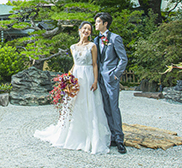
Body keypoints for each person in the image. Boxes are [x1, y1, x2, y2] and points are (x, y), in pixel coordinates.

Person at [34, 21, 111, 154]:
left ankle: (89, 135)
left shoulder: (92, 46)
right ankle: (71, 133)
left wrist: (95, 80)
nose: (86, 31)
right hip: (76, 77)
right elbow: (75, 64)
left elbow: (94, 64)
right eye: (85, 28)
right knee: (73, 104)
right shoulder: (73, 47)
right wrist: (67, 78)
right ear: (80, 30)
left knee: (88, 104)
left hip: (88, 77)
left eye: (89, 30)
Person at [94, 12, 128, 154]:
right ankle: (111, 137)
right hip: (100, 78)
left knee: (114, 107)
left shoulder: (115, 38)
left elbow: (123, 59)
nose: (95, 24)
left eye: (97, 22)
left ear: (105, 23)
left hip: (111, 78)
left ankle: (120, 139)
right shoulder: (96, 40)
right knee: (105, 107)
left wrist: (115, 74)